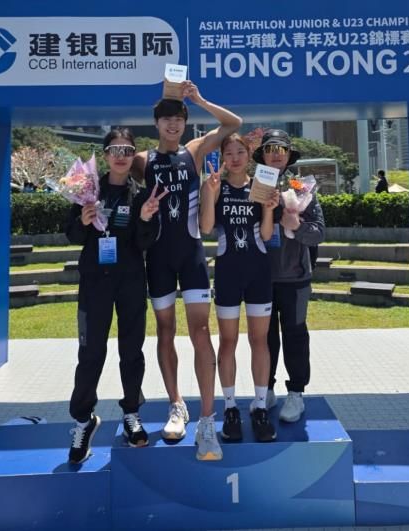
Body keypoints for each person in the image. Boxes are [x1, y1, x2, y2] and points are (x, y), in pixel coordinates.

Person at [131, 81, 242, 461]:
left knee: (200, 332)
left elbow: (233, 124)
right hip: (158, 259)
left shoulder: (194, 151)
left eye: (178, 118)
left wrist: (199, 100)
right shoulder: (142, 160)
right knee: (165, 331)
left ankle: (207, 420)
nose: (173, 124)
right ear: (156, 123)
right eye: (166, 119)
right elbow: (114, 169)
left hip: (192, 256)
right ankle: (176, 405)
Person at [65, 128, 166, 464]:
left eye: (127, 150)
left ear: (133, 155)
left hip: (130, 281)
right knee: (91, 352)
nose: (121, 156)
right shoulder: (86, 189)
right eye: (115, 150)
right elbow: (72, 235)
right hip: (95, 282)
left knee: (131, 350)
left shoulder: (141, 194)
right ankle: (83, 420)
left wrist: (146, 218)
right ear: (105, 155)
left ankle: (131, 413)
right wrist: (83, 221)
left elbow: (145, 242)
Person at [199, 134, 279, 442]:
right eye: (229, 153)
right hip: (228, 275)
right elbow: (207, 228)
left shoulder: (260, 186)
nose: (234, 158)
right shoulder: (216, 186)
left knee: (260, 340)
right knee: (228, 341)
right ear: (222, 157)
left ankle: (260, 407)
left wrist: (269, 208)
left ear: (249, 155)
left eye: (240, 152)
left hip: (258, 273)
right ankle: (230, 407)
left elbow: (267, 235)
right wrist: (210, 194)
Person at [252, 129, 325, 423]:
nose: (276, 154)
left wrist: (295, 226)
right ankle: (265, 389)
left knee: (295, 335)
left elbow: (318, 232)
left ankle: (296, 392)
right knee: (264, 338)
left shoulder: (300, 185)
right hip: (261, 276)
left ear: (289, 155)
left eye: (281, 149)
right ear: (262, 155)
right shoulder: (253, 184)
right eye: (270, 149)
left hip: (295, 277)